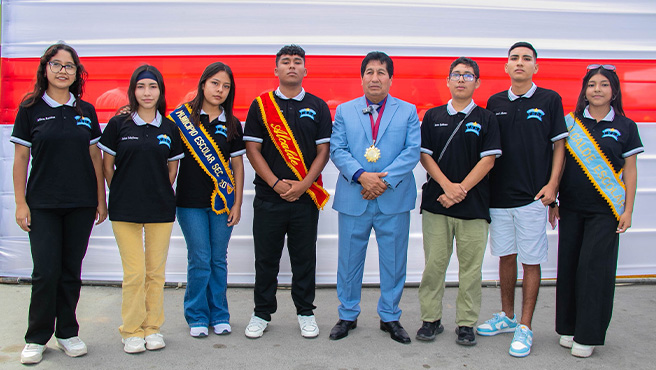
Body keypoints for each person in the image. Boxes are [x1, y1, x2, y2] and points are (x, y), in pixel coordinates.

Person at [11, 43, 107, 364]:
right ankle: (37, 337)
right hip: (43, 205)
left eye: (70, 66)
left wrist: (100, 200)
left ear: (77, 73)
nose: (63, 70)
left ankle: (67, 331)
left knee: (70, 271)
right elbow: (21, 159)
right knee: (45, 272)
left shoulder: (86, 111)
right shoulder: (30, 109)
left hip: (80, 204)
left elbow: (96, 157)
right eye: (57, 64)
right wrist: (21, 203)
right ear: (45, 68)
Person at [476, 41, 568, 357]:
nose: (519, 63)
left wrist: (553, 186)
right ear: (506, 66)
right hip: (499, 197)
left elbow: (559, 147)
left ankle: (525, 327)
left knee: (530, 261)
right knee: (506, 257)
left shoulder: (550, 100)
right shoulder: (494, 101)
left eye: (526, 58)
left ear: (535, 66)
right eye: (514, 58)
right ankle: (507, 316)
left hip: (533, 197)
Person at [550, 64, 643, 358]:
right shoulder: (571, 123)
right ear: (584, 90)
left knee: (594, 271)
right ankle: (568, 326)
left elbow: (630, 170)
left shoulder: (626, 126)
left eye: (604, 84)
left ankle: (588, 334)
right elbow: (558, 163)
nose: (597, 90)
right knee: (568, 267)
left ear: (614, 90)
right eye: (592, 84)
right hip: (572, 208)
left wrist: (628, 209)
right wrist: (553, 200)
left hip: (605, 212)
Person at [329, 51, 420, 344]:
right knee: (349, 260)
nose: (375, 77)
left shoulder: (407, 111)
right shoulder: (344, 110)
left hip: (392, 199)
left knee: (394, 261)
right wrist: (361, 176)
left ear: (390, 78)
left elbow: (412, 151)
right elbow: (338, 149)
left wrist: (385, 181)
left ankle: (390, 317)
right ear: (362, 77)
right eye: (369, 72)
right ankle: (347, 314)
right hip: (355, 196)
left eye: (381, 72)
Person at [243, 45, 331, 339]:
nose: (292, 66)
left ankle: (306, 312)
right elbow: (252, 149)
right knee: (265, 258)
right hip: (269, 197)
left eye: (297, 62)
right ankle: (261, 313)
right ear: (276, 69)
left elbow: (323, 150)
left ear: (305, 70)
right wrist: (275, 183)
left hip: (305, 198)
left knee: (304, 258)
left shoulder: (318, 105)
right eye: (285, 62)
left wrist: (304, 184)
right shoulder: (260, 105)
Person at [98, 65, 183, 353]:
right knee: (134, 273)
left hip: (160, 208)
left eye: (153, 87)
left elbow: (172, 168)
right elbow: (107, 165)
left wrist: (157, 188)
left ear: (161, 91)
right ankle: (131, 330)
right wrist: (121, 188)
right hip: (125, 209)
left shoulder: (169, 128)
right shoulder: (118, 125)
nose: (147, 93)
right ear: (133, 90)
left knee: (155, 273)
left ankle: (152, 328)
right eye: (141, 86)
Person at [416, 57, 501, 346]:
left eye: (468, 75)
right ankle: (430, 319)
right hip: (436, 203)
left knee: (470, 270)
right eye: (456, 74)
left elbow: (488, 160)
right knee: (434, 265)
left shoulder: (487, 118)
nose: (462, 79)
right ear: (448, 81)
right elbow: (424, 155)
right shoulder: (432, 115)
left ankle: (466, 324)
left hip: (474, 206)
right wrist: (447, 186)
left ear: (477, 82)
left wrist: (460, 190)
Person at [172, 62, 245, 338]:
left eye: (226, 86)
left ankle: (220, 314)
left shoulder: (232, 123)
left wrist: (237, 203)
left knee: (218, 260)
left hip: (222, 203)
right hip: (189, 203)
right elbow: (172, 164)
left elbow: (238, 165)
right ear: (203, 83)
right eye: (215, 83)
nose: (220, 90)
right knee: (200, 259)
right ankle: (197, 315)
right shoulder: (181, 120)